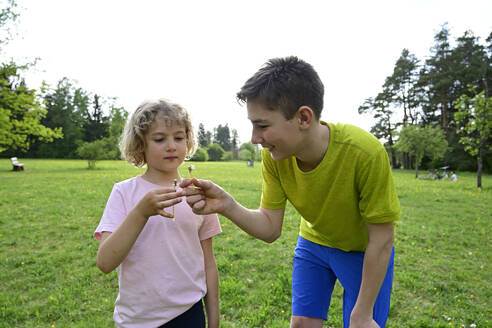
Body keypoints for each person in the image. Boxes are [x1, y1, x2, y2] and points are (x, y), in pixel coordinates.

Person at [181, 57, 400, 328]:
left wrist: (362, 313)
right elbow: (270, 228)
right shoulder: (275, 158)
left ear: (303, 118)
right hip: (314, 243)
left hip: (364, 252)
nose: (254, 138)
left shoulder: (364, 153)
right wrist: (225, 204)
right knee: (301, 325)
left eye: (262, 126)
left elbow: (382, 239)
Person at [94, 99, 221, 328]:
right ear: (141, 144)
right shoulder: (124, 193)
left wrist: (214, 319)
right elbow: (105, 262)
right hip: (137, 319)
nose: (171, 146)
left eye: (179, 137)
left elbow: (208, 264)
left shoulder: (198, 194)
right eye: (160, 138)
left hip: (189, 314)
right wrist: (141, 212)